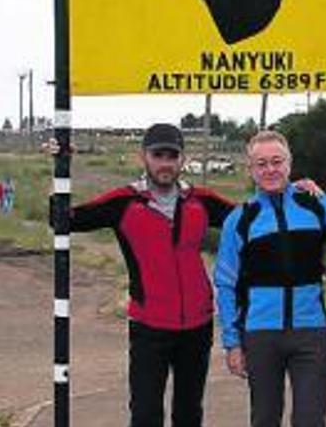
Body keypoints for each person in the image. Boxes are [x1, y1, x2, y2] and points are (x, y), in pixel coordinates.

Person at [50, 123, 234, 427]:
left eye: (172, 156)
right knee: (146, 414)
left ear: (182, 160)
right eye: (157, 155)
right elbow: (61, 219)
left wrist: (298, 191)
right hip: (149, 326)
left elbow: (254, 217)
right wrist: (60, 167)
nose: (165, 163)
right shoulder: (123, 202)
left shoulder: (200, 200)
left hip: (198, 325)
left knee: (189, 413)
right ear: (143, 158)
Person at [214, 130, 326, 427]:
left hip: (310, 332)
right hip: (260, 335)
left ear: (289, 163)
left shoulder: (316, 205)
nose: (270, 170)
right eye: (261, 164)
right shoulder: (240, 219)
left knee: (310, 420)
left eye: (277, 161)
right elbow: (225, 283)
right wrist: (232, 342)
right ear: (251, 169)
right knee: (264, 419)